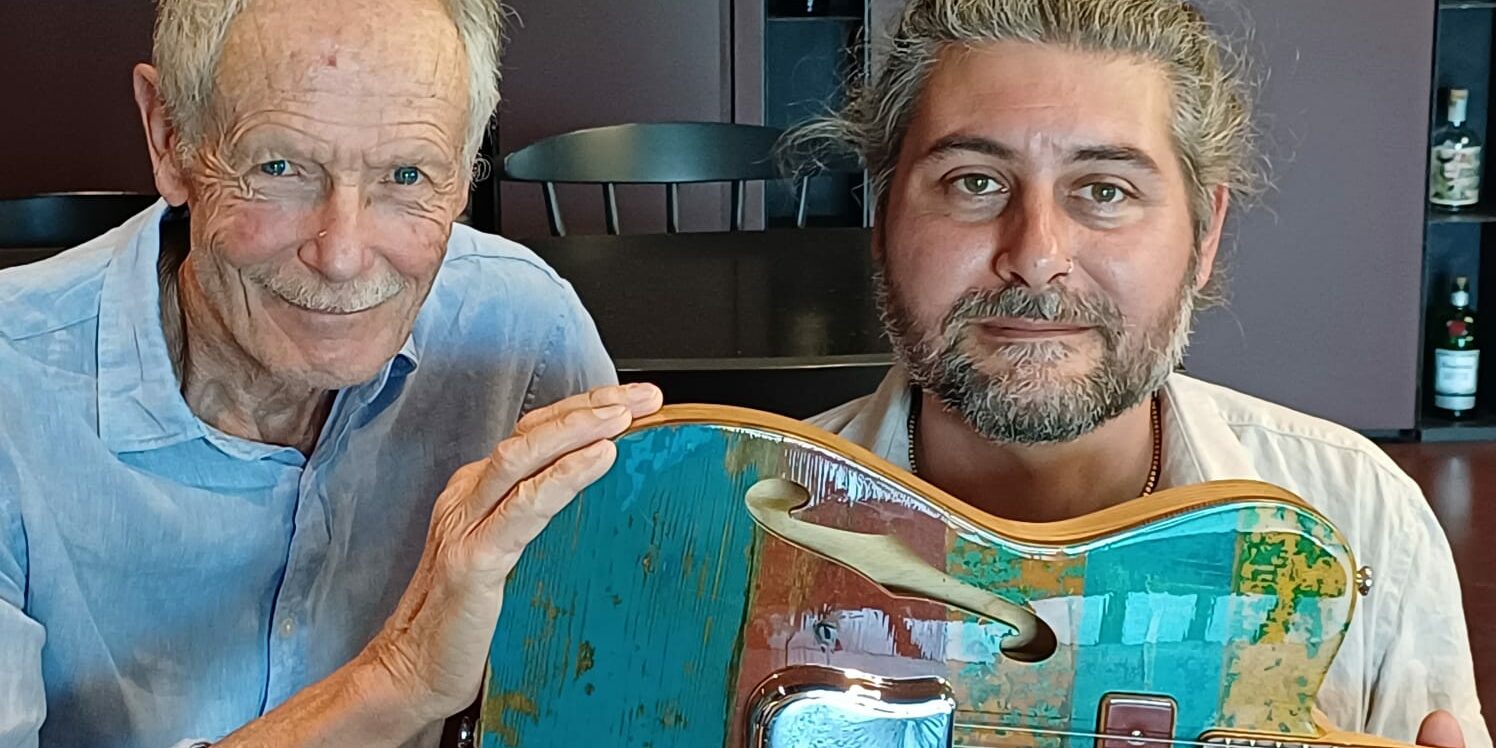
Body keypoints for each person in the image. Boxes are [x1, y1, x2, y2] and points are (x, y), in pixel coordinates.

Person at [794, 1, 1490, 746]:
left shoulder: (1362, 516)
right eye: (974, 183)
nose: (1036, 256)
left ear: (1204, 235)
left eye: (1105, 191)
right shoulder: (732, 518)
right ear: (883, 221)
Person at [0, 0, 662, 745]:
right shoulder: (12, 386)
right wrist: (397, 680)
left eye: (407, 174)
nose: (342, 255)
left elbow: (623, 677)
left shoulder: (525, 333)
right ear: (170, 138)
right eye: (280, 167)